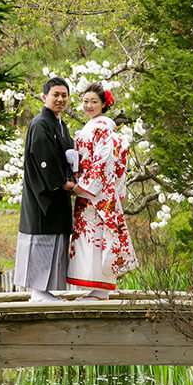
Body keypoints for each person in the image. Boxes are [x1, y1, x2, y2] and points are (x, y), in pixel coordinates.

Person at [67, 81, 138, 300]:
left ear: (103, 104)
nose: (88, 105)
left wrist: (84, 187)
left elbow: (103, 161)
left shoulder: (102, 128)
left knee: (99, 238)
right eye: (85, 101)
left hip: (96, 194)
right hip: (90, 193)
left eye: (94, 102)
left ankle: (102, 290)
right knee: (91, 239)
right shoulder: (92, 127)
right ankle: (98, 288)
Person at [14, 76, 76, 303]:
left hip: (57, 194)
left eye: (64, 95)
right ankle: (38, 292)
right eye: (55, 95)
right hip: (44, 194)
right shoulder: (40, 124)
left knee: (56, 240)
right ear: (44, 97)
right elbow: (44, 159)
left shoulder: (60, 124)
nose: (60, 99)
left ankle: (45, 291)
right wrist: (62, 182)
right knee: (42, 240)